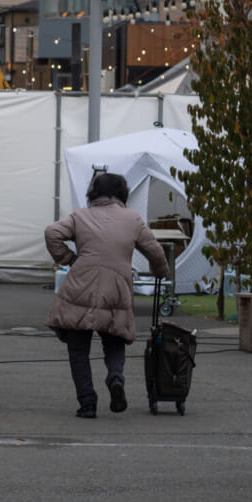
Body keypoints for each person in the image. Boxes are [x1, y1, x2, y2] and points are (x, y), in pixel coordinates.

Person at [44, 171, 168, 418]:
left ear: (94, 193)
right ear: (122, 194)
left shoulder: (80, 216)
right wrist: (160, 271)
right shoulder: (132, 219)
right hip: (116, 286)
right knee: (114, 339)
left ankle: (87, 403)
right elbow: (155, 251)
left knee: (78, 349)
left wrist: (69, 259)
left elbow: (52, 233)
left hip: (81, 283)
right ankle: (115, 379)